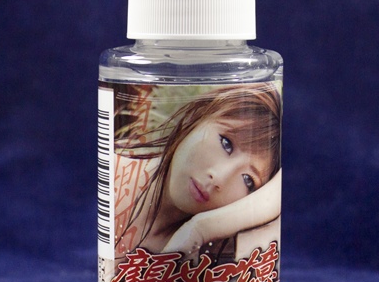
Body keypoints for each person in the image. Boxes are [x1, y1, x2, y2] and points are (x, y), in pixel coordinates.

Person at [113, 83, 282, 263]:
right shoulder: (112, 180)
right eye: (226, 144)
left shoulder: (213, 249)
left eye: (248, 180)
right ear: (197, 117)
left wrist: (201, 229)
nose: (219, 178)